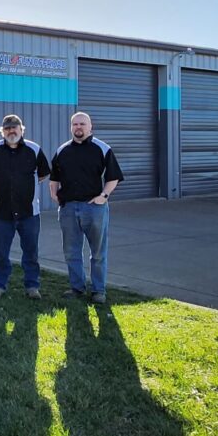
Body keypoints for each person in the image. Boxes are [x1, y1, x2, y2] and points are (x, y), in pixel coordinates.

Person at [50, 112, 124, 304]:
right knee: (71, 251)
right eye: (75, 124)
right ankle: (77, 288)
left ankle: (98, 290)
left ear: (90, 127)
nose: (78, 127)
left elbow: (114, 177)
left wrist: (103, 196)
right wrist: (54, 194)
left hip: (94, 208)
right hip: (68, 208)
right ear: (71, 127)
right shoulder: (62, 150)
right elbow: (54, 177)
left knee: (98, 253)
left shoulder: (102, 149)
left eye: (82, 124)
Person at [0, 114, 51, 300]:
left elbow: (43, 174)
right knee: (1, 253)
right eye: (7, 128)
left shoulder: (34, 149)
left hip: (29, 212)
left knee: (31, 253)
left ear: (21, 129)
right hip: (2, 212)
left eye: (14, 127)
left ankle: (32, 286)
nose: (11, 131)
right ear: (2, 131)